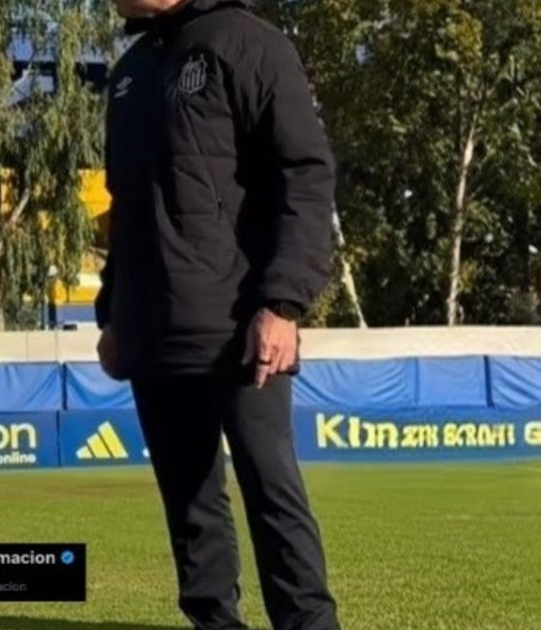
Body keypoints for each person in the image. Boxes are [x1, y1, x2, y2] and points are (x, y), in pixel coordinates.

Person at [96, 1, 342, 630]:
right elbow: (125, 208)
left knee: (272, 490)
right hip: (153, 329)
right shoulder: (127, 74)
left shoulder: (250, 44)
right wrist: (112, 313)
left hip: (241, 324)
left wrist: (282, 303)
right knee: (188, 503)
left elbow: (305, 178)